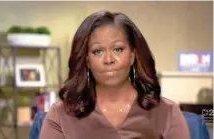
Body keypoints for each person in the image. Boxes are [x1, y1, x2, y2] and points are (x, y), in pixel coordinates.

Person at [39, 11, 190, 139]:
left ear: (132, 55)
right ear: (87, 61)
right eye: (98, 51)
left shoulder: (167, 112)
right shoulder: (60, 115)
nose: (109, 60)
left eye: (117, 49)